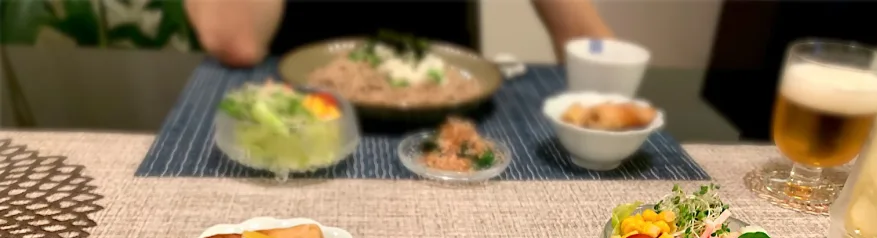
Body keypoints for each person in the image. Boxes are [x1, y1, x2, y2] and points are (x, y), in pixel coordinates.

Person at [185, 0, 615, 68]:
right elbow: (233, 38)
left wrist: (610, 77)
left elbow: (584, 34)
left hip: (446, 111)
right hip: (302, 113)